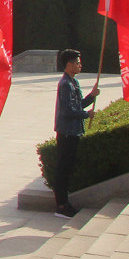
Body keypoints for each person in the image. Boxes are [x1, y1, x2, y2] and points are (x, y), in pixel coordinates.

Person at [51, 48, 100, 219]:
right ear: (69, 64)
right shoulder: (65, 84)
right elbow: (68, 111)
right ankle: (61, 205)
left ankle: (65, 203)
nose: (80, 65)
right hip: (67, 132)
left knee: (68, 168)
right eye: (78, 63)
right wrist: (87, 115)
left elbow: (78, 105)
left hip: (74, 131)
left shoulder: (74, 83)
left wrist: (91, 97)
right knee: (63, 169)